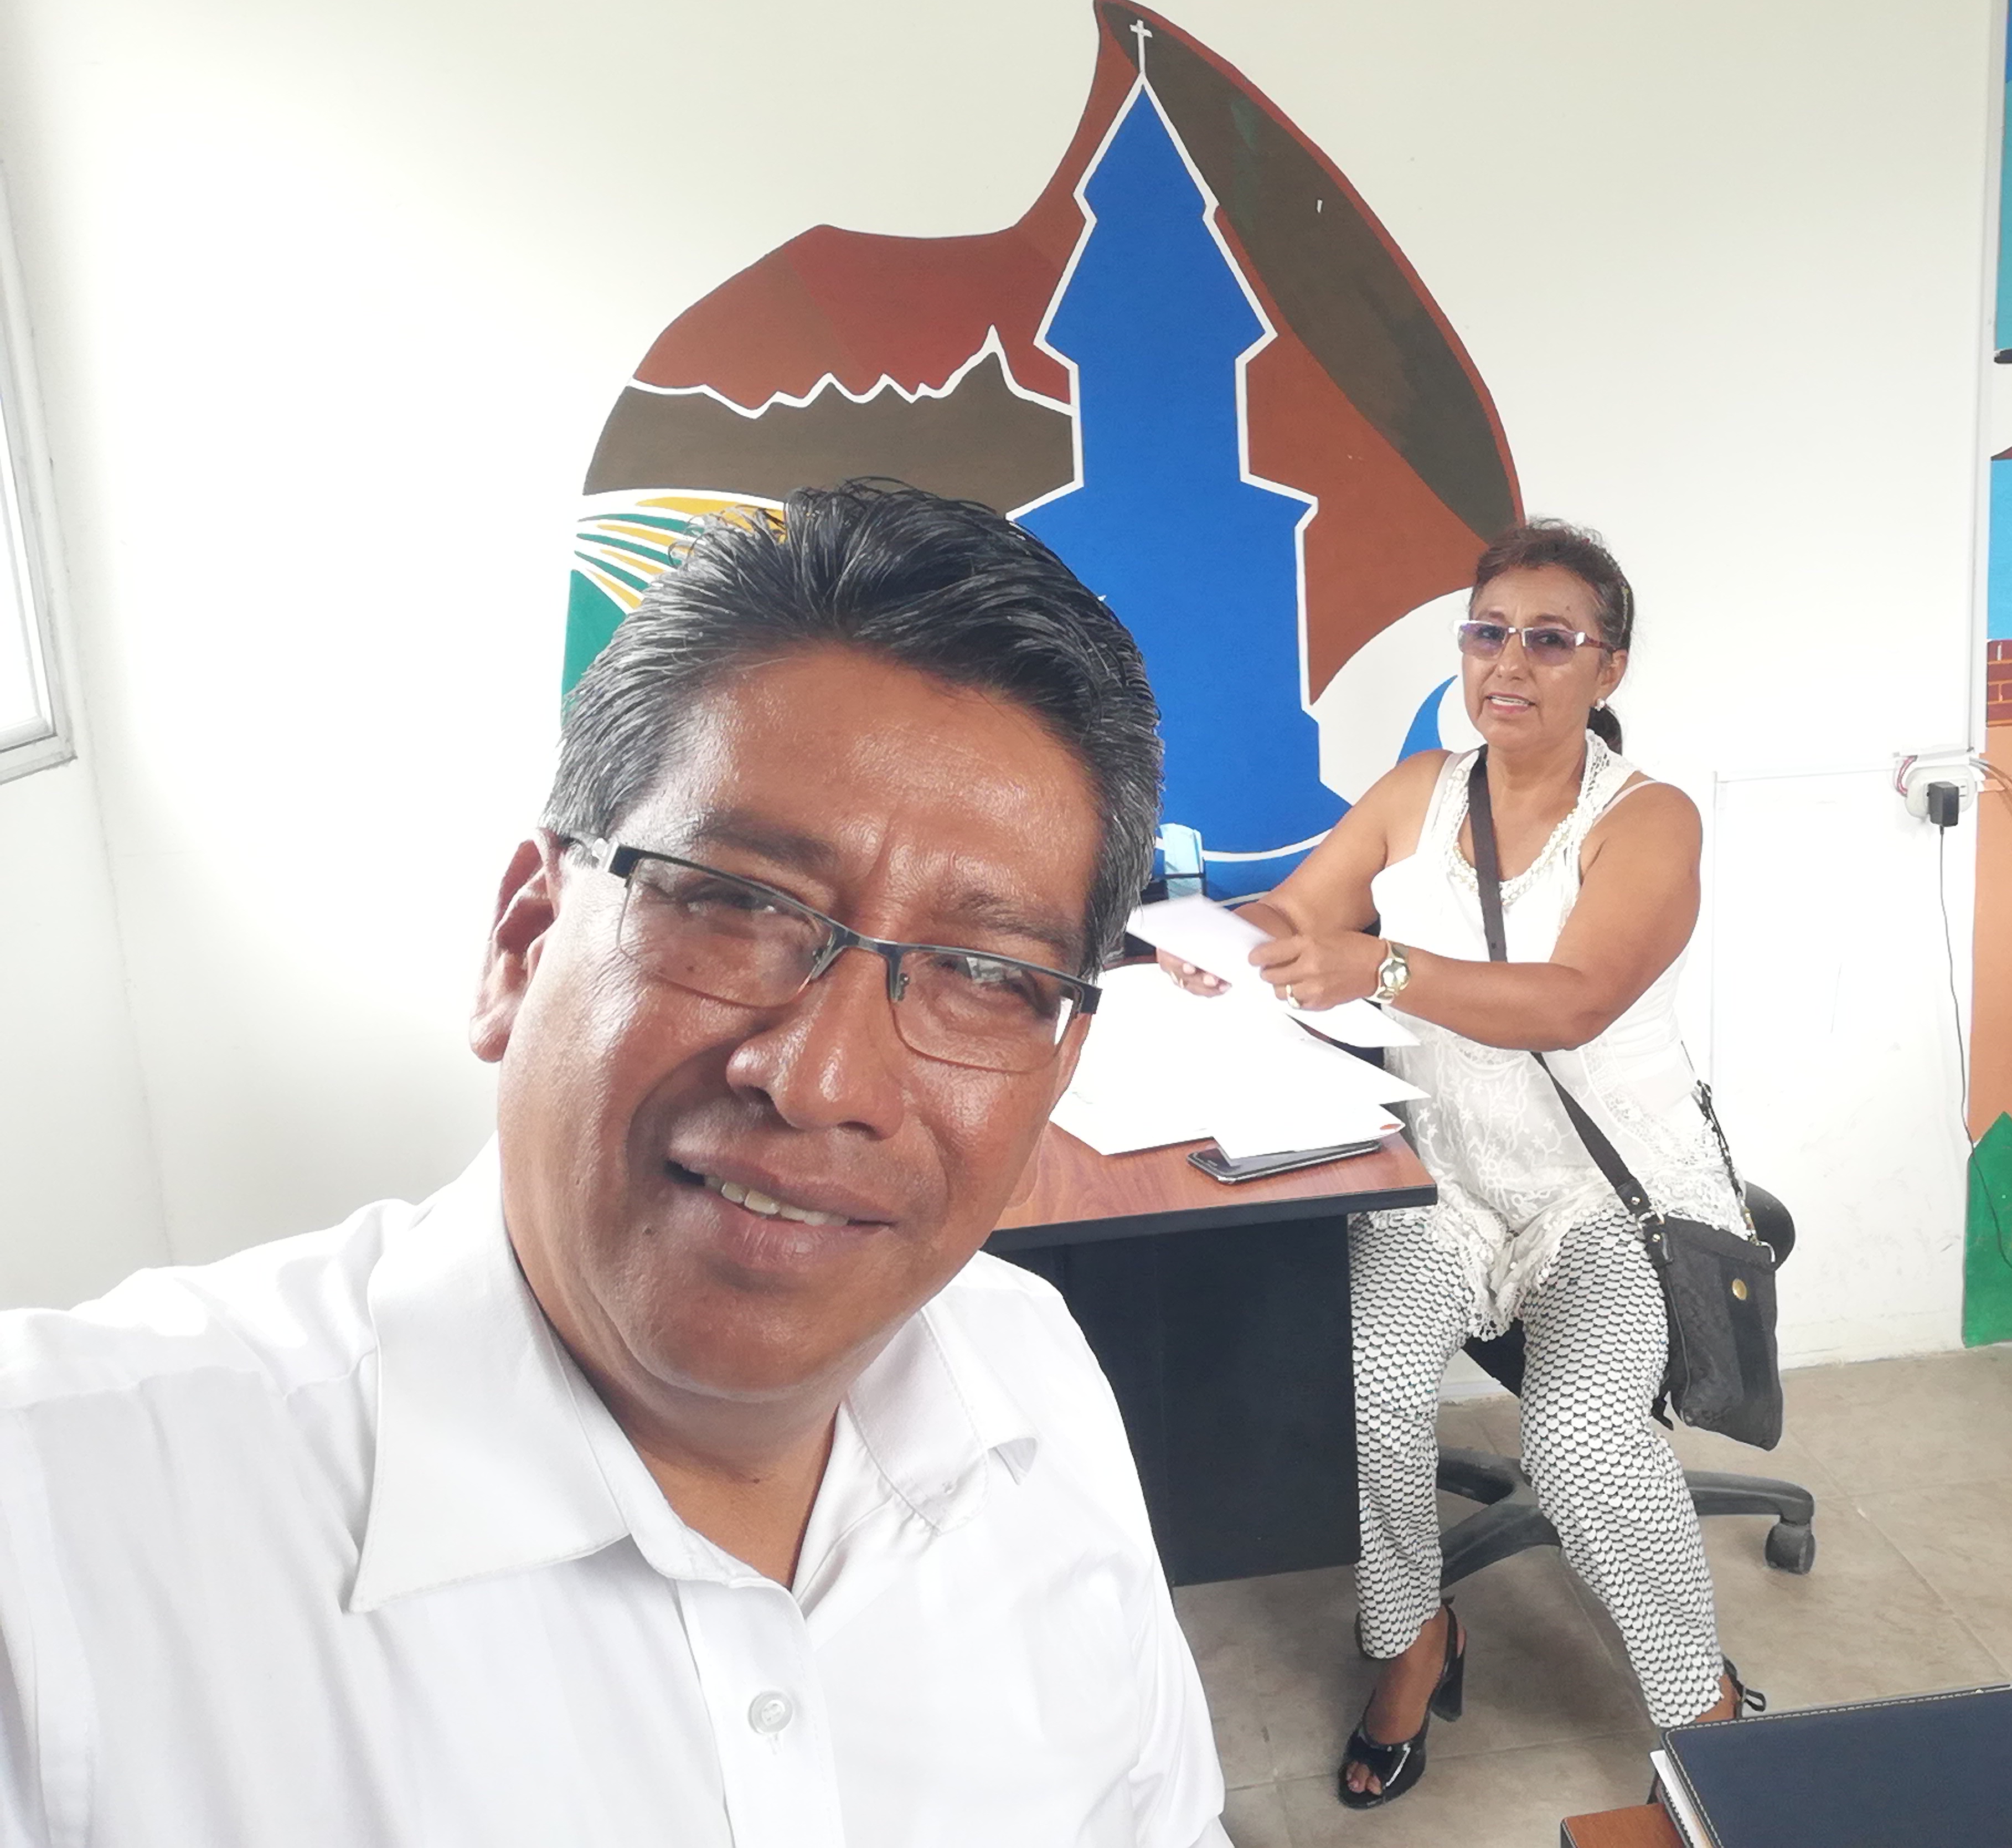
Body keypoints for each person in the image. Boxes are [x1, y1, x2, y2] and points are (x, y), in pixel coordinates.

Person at [0, 482, 1230, 1847]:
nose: (822, 1080)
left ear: (1054, 1074)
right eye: (739, 905)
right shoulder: (58, 1529)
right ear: (523, 943)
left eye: (984, 974)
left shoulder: (1033, 1372)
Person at [1162, 519, 1750, 1807]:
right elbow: (1300, 913)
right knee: (1363, 1388)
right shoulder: (1415, 792)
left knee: (1583, 1443)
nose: (1511, 662)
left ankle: (1700, 1700)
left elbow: (1576, 999)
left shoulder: (1648, 820)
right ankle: (1414, 1636)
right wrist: (1220, 939)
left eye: (1552, 639)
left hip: (1609, 1197)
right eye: (1489, 633)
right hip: (1441, 1184)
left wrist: (1379, 967)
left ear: (1610, 668)